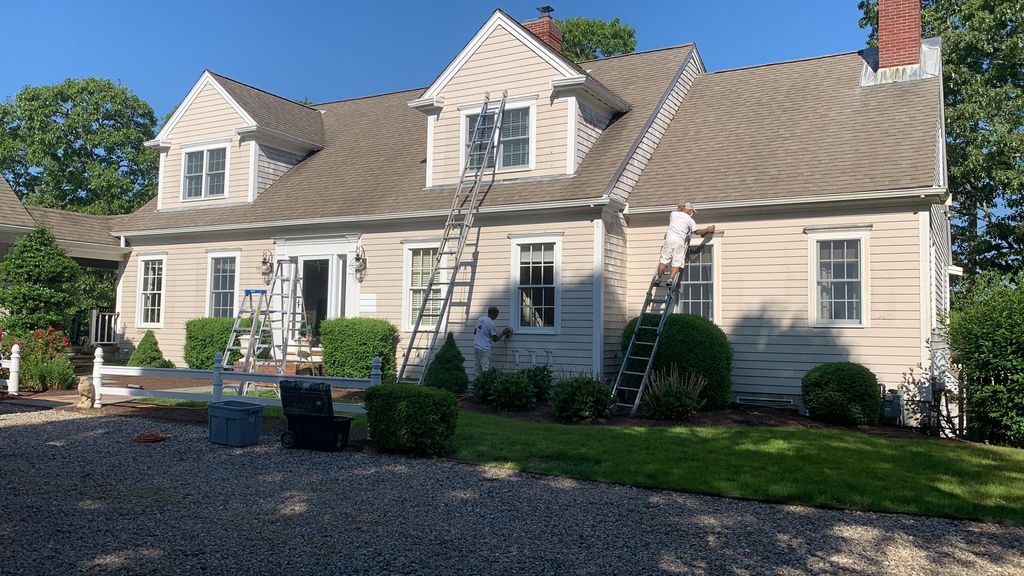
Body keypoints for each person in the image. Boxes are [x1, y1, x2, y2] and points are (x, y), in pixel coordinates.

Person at [657, 202, 716, 282]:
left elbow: (679, 209)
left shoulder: (673, 214)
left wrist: (680, 208)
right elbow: (697, 232)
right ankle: (670, 279)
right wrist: (707, 229)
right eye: (692, 212)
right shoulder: (690, 220)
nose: (692, 214)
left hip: (669, 240)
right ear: (690, 211)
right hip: (679, 241)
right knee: (676, 262)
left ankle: (659, 278)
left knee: (663, 260)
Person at [473, 306, 512, 376]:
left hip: (476, 346)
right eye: (497, 314)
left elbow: (475, 331)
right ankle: (485, 385)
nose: (497, 316)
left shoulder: (481, 319)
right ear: (494, 313)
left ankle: (477, 384)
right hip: (484, 349)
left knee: (477, 367)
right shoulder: (491, 324)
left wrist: (483, 333)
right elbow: (495, 339)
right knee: (485, 368)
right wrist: (503, 333)